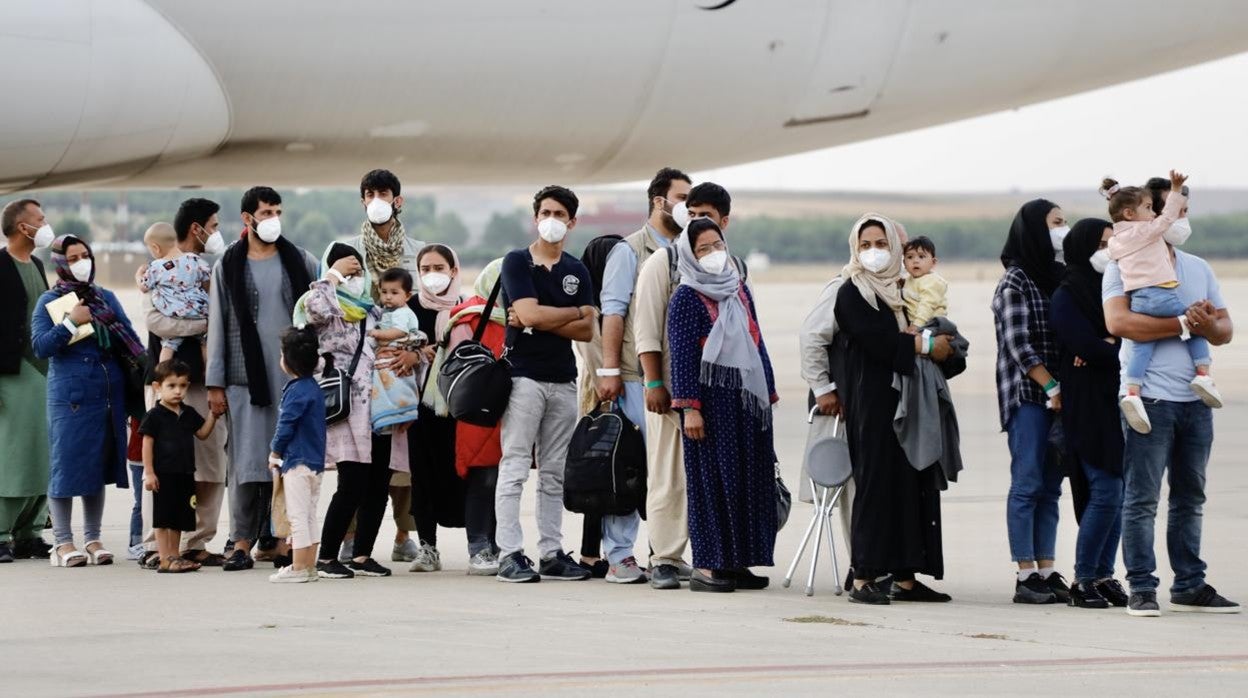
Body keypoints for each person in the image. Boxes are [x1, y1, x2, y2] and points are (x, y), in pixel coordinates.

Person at [1103, 180, 1240, 617]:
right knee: (1142, 499)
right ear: (1152, 214)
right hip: (1150, 400)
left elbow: (1224, 330)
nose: (1182, 219)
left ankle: (1190, 584)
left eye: (1185, 211)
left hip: (1196, 402)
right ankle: (1142, 587)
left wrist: (1205, 325)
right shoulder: (1123, 263)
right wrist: (1183, 323)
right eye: (1175, 210)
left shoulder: (1198, 267)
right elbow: (1120, 323)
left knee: (1190, 497)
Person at [833, 215, 953, 605]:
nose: (874, 251)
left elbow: (933, 328)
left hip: (908, 401)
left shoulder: (905, 288)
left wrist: (941, 346)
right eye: (865, 244)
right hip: (872, 403)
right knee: (875, 484)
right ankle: (864, 576)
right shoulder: (853, 292)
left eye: (881, 243)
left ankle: (905, 576)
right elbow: (877, 341)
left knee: (910, 484)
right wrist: (923, 346)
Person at [587, 167, 695, 584]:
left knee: (669, 472)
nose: (686, 206)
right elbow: (613, 313)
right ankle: (619, 556)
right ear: (658, 201)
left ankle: (665, 552)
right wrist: (610, 370)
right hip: (635, 376)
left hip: (677, 379)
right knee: (629, 465)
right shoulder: (630, 250)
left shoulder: (689, 250)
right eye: (681, 198)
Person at [632, 181, 737, 589]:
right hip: (673, 392)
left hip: (719, 394)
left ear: (724, 221)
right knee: (669, 477)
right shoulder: (665, 262)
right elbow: (646, 328)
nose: (695, 222)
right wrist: (655, 382)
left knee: (714, 478)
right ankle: (665, 557)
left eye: (704, 215)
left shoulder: (731, 266)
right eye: (690, 214)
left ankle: (718, 557)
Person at [207, 186, 317, 571]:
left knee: (288, 461)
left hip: (292, 379)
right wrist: (215, 383)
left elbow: (320, 311)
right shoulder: (228, 265)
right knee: (246, 462)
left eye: (277, 212)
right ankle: (241, 541)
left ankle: (282, 541)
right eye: (266, 213)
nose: (273, 219)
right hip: (245, 380)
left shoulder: (301, 260)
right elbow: (217, 325)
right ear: (247, 218)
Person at [668, 219, 779, 593]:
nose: (713, 253)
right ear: (690, 255)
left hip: (745, 401)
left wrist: (768, 392)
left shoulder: (738, 288)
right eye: (703, 249)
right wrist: (689, 408)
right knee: (712, 482)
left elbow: (756, 340)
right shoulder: (686, 297)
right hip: (710, 406)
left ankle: (737, 561)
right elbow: (682, 356)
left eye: (717, 245)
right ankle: (708, 566)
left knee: (747, 480)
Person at [495, 185, 595, 583]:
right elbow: (529, 314)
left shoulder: (577, 269)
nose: (551, 220)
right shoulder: (517, 261)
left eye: (560, 215)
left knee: (554, 473)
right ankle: (509, 553)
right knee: (515, 465)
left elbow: (587, 330)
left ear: (572, 222)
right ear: (535, 217)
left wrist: (542, 317)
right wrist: (572, 312)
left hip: (564, 380)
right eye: (545, 213)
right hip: (523, 377)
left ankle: (551, 552)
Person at [32, 235, 145, 567]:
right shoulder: (49, 301)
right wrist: (70, 322)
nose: (82, 262)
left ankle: (93, 538)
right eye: (73, 258)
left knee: (97, 466)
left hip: (107, 395)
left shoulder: (105, 297)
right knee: (66, 466)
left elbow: (129, 338)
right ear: (60, 263)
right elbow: (40, 346)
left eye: (85, 255)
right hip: (71, 397)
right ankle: (63, 542)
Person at [136, 197, 230, 568]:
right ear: (196, 228)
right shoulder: (155, 271)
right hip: (166, 385)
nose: (217, 233)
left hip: (206, 382)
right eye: (214, 226)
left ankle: (196, 541)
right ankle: (155, 545)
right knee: (161, 465)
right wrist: (204, 325)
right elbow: (157, 322)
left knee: (210, 464)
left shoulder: (210, 272)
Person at [343, 169, 426, 564]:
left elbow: (425, 313)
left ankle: (403, 533)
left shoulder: (418, 253)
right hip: (361, 366)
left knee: (401, 456)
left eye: (384, 193)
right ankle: (351, 536)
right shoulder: (347, 251)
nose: (377, 199)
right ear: (362, 199)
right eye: (370, 193)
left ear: (398, 200)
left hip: (402, 364)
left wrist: (415, 352)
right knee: (358, 456)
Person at [991, 198, 1072, 604]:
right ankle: (1025, 574)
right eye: (1056, 222)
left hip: (1061, 398)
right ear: (1035, 229)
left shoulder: (1059, 276)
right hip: (1029, 395)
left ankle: (1046, 569)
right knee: (1027, 482)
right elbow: (1018, 345)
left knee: (1051, 487)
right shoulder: (1015, 281)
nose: (1063, 228)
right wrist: (1051, 387)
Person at [298, 243, 393, 579]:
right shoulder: (324, 305)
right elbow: (315, 307)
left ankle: (362, 555)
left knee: (377, 484)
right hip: (346, 409)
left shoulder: (370, 310)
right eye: (347, 272)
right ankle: (327, 556)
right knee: (351, 484)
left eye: (357, 272)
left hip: (378, 408)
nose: (353, 278)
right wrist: (333, 276)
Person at [1103, 172, 1220, 435]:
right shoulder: (1145, 232)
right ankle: (1203, 374)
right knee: (1194, 325)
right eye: (1148, 208)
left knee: (1142, 345)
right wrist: (1176, 190)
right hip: (1161, 295)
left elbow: (1108, 254)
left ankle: (1133, 391)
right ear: (1131, 214)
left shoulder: (1116, 242)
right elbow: (1166, 218)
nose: (1154, 214)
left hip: (1140, 301)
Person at [1050, 218, 1128, 608]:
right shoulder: (1067, 293)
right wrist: (1111, 344)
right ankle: (1084, 579)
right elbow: (1083, 343)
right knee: (1106, 489)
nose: (1108, 251)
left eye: (1112, 243)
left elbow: (1132, 333)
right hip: (1087, 403)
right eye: (1100, 244)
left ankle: (1103, 574)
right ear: (1082, 247)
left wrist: (1111, 342)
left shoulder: (1117, 287)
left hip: (1117, 398)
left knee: (1119, 492)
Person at [445, 258, 507, 575]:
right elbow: (457, 367)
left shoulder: (524, 317)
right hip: (478, 410)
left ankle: (499, 546)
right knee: (483, 478)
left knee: (505, 481)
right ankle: (479, 547)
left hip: (509, 410)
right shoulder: (468, 318)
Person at [0, 199, 52, 563]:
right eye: (40, 219)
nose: (46, 225)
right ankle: (2, 532)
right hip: (12, 371)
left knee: (43, 452)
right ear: (23, 227)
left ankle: (29, 532)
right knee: (16, 454)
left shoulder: (36, 264)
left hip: (43, 369)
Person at [140, 360, 219, 574]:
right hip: (163, 474)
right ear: (158, 387)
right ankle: (164, 558)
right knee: (163, 518)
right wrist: (149, 472)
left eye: (183, 386)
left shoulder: (187, 412)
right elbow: (147, 444)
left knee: (178, 518)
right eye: (172, 386)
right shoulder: (154, 415)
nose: (178, 391)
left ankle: (175, 556)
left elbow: (202, 433)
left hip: (185, 473)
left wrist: (213, 415)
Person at [267, 327, 327, 584]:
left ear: (287, 360)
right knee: (310, 514)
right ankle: (309, 564)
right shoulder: (314, 388)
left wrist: (275, 452)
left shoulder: (295, 390)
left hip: (297, 461)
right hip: (315, 462)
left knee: (297, 516)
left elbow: (286, 425)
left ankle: (299, 566)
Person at [138, 222, 210, 364]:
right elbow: (207, 279)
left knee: (168, 346)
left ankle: (163, 372)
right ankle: (207, 372)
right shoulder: (194, 259)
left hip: (174, 315)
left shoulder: (156, 267)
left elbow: (144, 287)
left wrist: (138, 275)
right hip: (198, 312)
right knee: (204, 342)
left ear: (156, 248)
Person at [368, 268, 423, 435]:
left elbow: (399, 332)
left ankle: (398, 410)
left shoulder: (402, 312)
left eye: (394, 292)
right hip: (388, 353)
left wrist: (377, 334)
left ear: (407, 295)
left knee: (395, 383)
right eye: (384, 292)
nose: (388, 297)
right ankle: (391, 412)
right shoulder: (388, 311)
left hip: (396, 353)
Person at [901, 236, 948, 332]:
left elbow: (927, 305)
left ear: (933, 262)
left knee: (926, 341)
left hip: (932, 324)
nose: (915, 261)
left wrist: (917, 324)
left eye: (921, 256)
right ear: (904, 263)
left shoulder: (932, 282)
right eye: (910, 257)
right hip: (919, 323)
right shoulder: (910, 280)